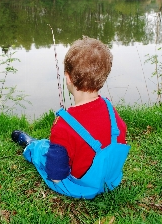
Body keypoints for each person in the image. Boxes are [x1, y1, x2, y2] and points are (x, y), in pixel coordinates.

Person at [11, 37, 130, 199]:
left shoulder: (63, 125)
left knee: (42, 150)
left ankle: (29, 146)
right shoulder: (110, 109)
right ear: (103, 77)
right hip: (110, 180)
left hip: (81, 187)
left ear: (68, 78)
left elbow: (56, 176)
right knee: (59, 147)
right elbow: (119, 134)